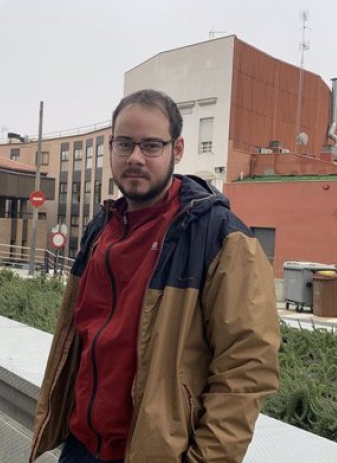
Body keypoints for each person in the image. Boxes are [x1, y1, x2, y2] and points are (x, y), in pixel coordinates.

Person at [29, 89, 280, 463]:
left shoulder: (221, 238)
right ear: (111, 146)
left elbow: (247, 368)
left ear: (176, 150)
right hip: (81, 447)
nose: (135, 158)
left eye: (151, 146)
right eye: (125, 144)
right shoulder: (102, 228)